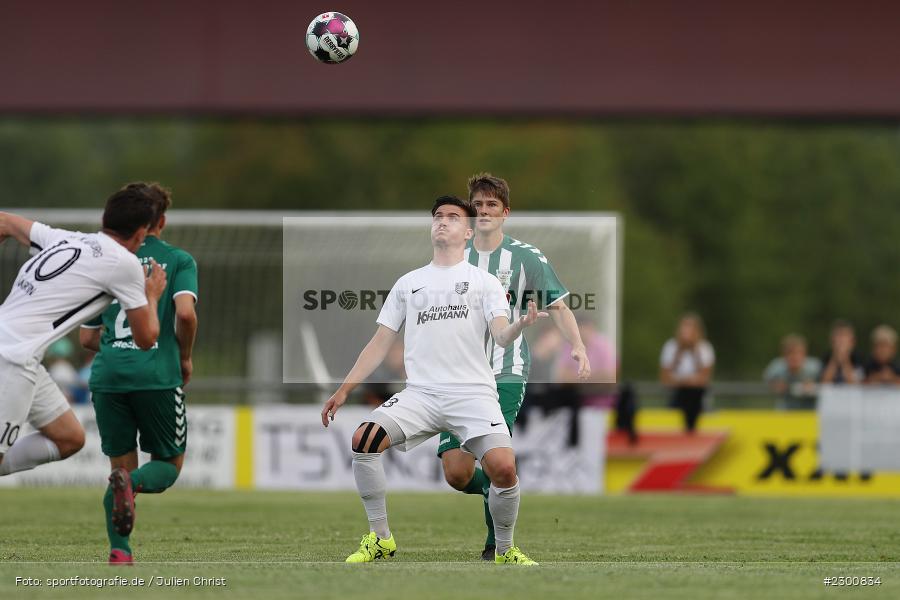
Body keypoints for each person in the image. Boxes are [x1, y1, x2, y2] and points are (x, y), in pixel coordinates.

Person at [322, 195, 544, 566]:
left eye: (453, 217)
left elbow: (501, 336)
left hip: (473, 395)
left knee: (504, 469)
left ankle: (505, 551)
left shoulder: (484, 282)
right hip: (421, 395)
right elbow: (379, 344)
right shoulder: (409, 283)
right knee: (364, 439)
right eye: (438, 216)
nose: (443, 221)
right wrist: (344, 389)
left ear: (468, 232)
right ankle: (381, 539)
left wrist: (520, 324)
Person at [438, 173, 591, 560]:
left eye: (492, 204)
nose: (484, 211)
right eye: (477, 204)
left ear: (505, 212)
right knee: (456, 473)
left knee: (495, 460)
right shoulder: (452, 255)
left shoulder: (526, 257)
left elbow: (558, 306)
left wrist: (577, 345)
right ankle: (501, 489)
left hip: (505, 372)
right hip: (457, 376)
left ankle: (497, 545)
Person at [0, 191, 166, 479]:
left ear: (106, 219)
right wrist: (151, 295)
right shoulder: (124, 263)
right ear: (141, 233)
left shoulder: (66, 238)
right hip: (11, 359)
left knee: (68, 437)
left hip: (22, 354)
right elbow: (146, 338)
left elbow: (5, 221)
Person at [79, 183, 198, 565]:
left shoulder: (107, 261)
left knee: (119, 469)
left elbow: (86, 337)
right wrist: (184, 358)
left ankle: (120, 551)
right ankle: (129, 485)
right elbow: (185, 314)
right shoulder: (178, 260)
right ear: (160, 221)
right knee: (167, 465)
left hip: (107, 377)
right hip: (156, 375)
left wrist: (118, 349)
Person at [659, 313, 715, 433]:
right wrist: (678, 354)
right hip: (676, 395)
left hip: (697, 397)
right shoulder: (671, 347)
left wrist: (695, 352)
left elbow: (705, 378)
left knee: (694, 396)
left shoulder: (704, 348)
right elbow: (665, 378)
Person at [763, 334, 821, 410]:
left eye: (798, 353)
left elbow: (826, 384)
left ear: (805, 354)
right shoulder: (776, 367)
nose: (795, 357)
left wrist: (814, 386)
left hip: (809, 412)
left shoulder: (815, 367)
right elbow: (767, 382)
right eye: (790, 353)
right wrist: (775, 385)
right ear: (784, 355)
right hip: (785, 411)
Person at [819, 320, 864, 385]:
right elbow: (824, 382)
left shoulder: (858, 357)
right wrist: (835, 358)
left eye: (844, 336)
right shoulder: (826, 357)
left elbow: (855, 383)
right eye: (838, 336)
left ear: (852, 342)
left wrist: (845, 359)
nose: (841, 340)